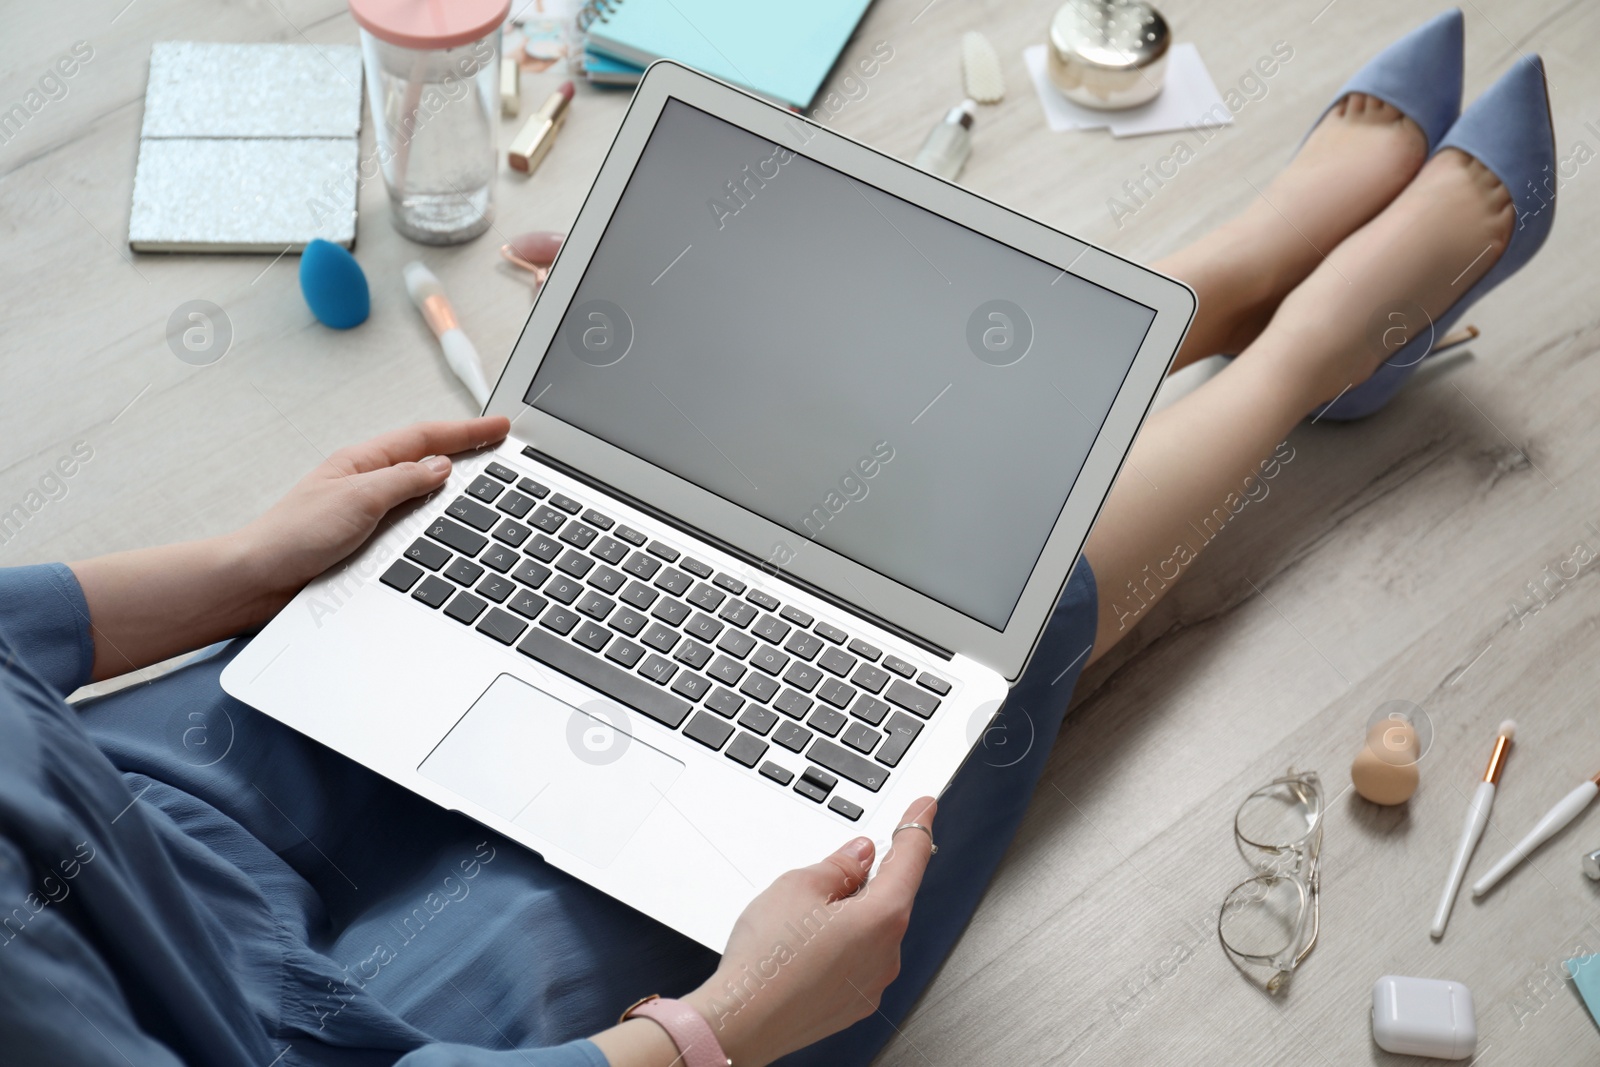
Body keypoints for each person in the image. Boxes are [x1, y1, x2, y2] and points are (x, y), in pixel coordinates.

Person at [0, 18, 1552, 1067]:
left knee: (683, 508)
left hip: (120, 797)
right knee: (941, 647)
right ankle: (1314, 346)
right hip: (366, 1040)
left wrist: (249, 565)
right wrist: (713, 1033)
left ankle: (1219, 283)